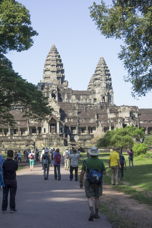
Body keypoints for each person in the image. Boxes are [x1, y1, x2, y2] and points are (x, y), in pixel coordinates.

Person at [79, 147, 105, 221]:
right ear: (97, 154)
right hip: (98, 182)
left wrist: (80, 182)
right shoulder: (100, 162)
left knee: (90, 197)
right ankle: (96, 213)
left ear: (90, 153)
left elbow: (82, 173)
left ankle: (91, 211)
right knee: (97, 197)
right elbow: (104, 172)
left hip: (88, 181)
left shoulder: (86, 161)